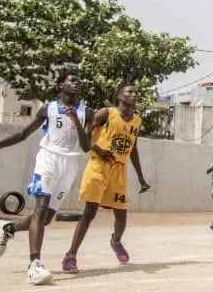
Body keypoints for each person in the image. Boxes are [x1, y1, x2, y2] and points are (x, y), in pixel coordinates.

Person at [0, 69, 91, 285]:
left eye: (79, 81)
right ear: (60, 85)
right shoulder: (48, 109)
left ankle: (8, 227)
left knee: (47, 218)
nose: (76, 83)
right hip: (48, 160)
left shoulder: (87, 112)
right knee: (40, 209)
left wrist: (76, 122)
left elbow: (87, 146)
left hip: (69, 164)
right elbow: (24, 134)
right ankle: (34, 265)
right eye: (71, 80)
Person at [61, 83, 151, 274]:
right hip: (99, 166)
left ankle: (116, 241)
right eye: (130, 92)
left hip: (119, 170)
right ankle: (70, 255)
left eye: (136, 92)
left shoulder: (137, 121)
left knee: (122, 216)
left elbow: (133, 149)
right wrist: (99, 150)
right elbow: (85, 138)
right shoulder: (105, 113)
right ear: (120, 95)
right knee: (90, 212)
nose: (134, 95)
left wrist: (141, 177)